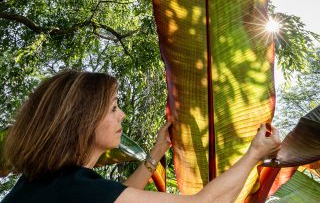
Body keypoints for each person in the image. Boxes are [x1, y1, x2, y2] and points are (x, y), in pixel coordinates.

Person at [2, 70, 281, 203]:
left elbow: (117, 194)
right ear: (81, 121)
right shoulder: (73, 189)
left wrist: (157, 153)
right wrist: (255, 153)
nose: (122, 114)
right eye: (112, 107)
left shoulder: (48, 183)